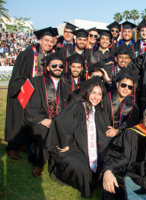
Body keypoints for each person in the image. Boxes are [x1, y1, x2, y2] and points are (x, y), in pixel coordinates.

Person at [45, 76, 110, 198]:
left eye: (99, 94)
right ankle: (58, 173)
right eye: (93, 93)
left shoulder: (95, 108)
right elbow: (60, 123)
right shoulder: (78, 106)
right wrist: (64, 144)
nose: (96, 97)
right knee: (82, 168)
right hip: (69, 145)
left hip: (81, 145)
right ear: (86, 92)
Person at [5, 27, 57, 161]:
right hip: (24, 92)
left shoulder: (47, 56)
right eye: (46, 40)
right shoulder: (28, 54)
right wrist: (23, 86)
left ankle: (23, 143)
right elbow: (17, 76)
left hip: (36, 94)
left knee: (31, 119)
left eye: (51, 42)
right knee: (19, 119)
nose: (49, 44)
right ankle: (11, 147)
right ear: (40, 40)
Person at [24, 52, 72, 177]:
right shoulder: (36, 82)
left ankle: (56, 158)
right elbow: (31, 106)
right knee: (43, 131)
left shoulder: (66, 87)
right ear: (48, 68)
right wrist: (42, 119)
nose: (58, 68)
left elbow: (68, 109)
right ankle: (38, 163)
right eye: (54, 65)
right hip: (39, 121)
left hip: (57, 121)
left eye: (61, 66)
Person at [102, 68, 140, 143]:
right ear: (117, 84)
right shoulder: (105, 99)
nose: (126, 88)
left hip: (122, 138)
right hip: (104, 136)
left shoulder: (132, 105)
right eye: (123, 85)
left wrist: (117, 131)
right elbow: (101, 120)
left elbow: (131, 123)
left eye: (130, 87)